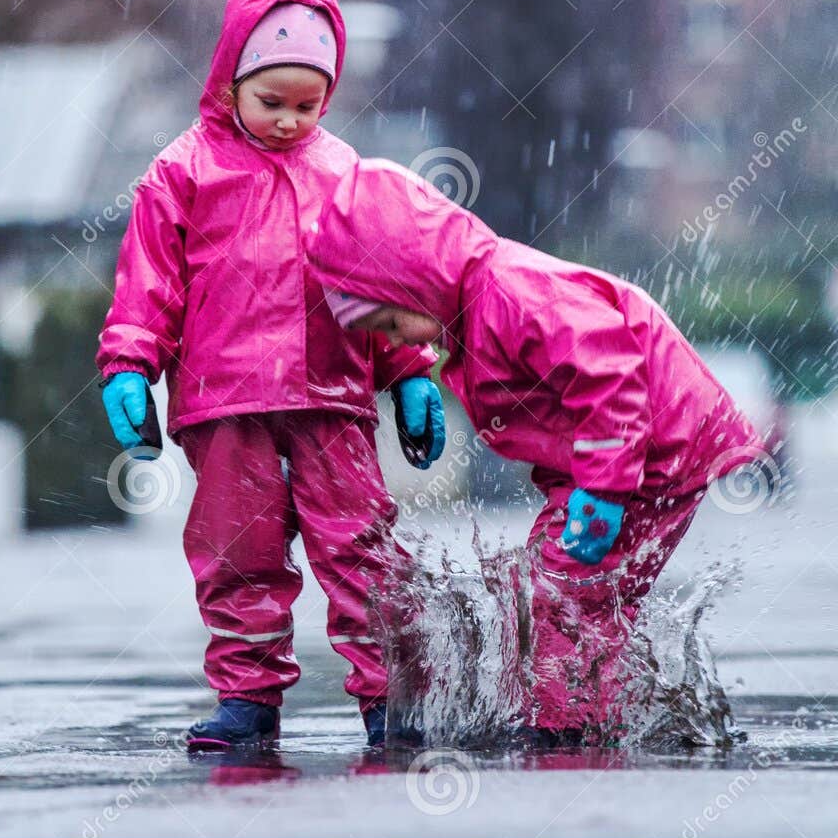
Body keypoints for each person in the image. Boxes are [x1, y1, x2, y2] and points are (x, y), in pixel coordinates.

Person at [96, 0, 446, 751]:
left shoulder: (346, 174)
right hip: (226, 404)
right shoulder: (181, 174)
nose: (291, 119)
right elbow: (147, 285)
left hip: (332, 398)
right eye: (271, 100)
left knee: (362, 551)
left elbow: (382, 286)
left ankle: (390, 699)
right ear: (230, 78)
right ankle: (247, 698)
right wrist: (127, 365)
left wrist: (410, 375)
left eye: (308, 102)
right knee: (238, 553)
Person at [308, 159, 765, 743]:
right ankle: (599, 710)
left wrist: (601, 491)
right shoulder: (474, 315)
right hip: (624, 459)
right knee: (565, 591)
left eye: (390, 322)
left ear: (411, 278)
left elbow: (608, 373)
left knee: (561, 592)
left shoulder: (508, 292)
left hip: (652, 452)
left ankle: (568, 727)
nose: (396, 342)